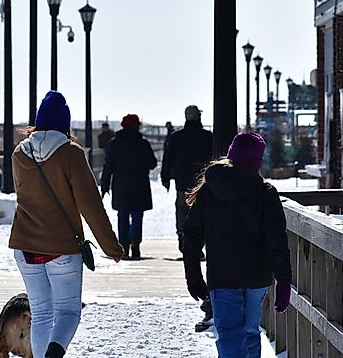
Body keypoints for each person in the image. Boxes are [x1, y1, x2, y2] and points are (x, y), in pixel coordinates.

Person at [9, 91, 123, 358]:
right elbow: (90, 206)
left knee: (41, 314)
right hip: (61, 246)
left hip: (25, 247)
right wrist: (111, 247)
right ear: (65, 124)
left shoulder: (19, 153)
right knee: (69, 312)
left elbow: (23, 196)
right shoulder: (70, 153)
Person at [182, 131, 292, 357]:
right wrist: (283, 280)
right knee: (251, 332)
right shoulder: (265, 193)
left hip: (222, 275)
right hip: (256, 276)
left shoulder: (210, 188)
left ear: (231, 155)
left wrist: (193, 275)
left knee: (230, 335)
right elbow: (277, 241)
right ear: (257, 162)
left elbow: (192, 234)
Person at [100, 114, 157, 260]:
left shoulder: (114, 143)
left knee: (122, 215)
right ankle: (135, 244)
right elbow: (152, 163)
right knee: (137, 215)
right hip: (139, 186)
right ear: (137, 126)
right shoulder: (143, 143)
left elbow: (108, 167)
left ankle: (123, 246)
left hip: (121, 186)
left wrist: (105, 186)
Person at [160, 105, 213, 254]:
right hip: (202, 182)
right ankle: (197, 243)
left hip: (182, 182)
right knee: (201, 212)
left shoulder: (177, 137)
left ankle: (182, 236)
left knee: (182, 211)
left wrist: (165, 177)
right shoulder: (208, 137)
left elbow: (168, 158)